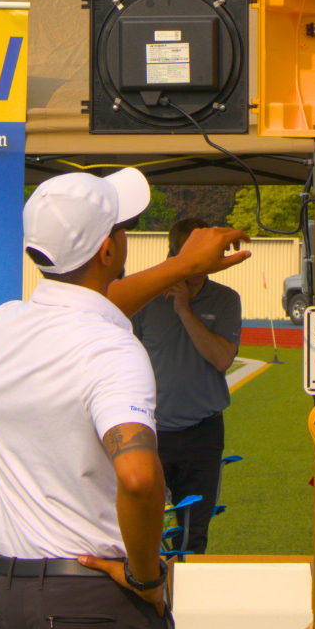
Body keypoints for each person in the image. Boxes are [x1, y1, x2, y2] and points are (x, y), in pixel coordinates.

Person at [0, 168, 250, 629]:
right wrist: (146, 577)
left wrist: (178, 266)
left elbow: (89, 309)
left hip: (15, 595)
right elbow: (139, 477)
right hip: (96, 602)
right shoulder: (112, 348)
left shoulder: (1, 325)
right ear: (108, 251)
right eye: (124, 227)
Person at [131, 215, 243, 556]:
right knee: (141, 531)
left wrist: (184, 311)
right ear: (173, 254)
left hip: (201, 433)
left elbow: (222, 359)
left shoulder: (225, 299)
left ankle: (185, 604)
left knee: (193, 535)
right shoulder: (145, 297)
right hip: (150, 432)